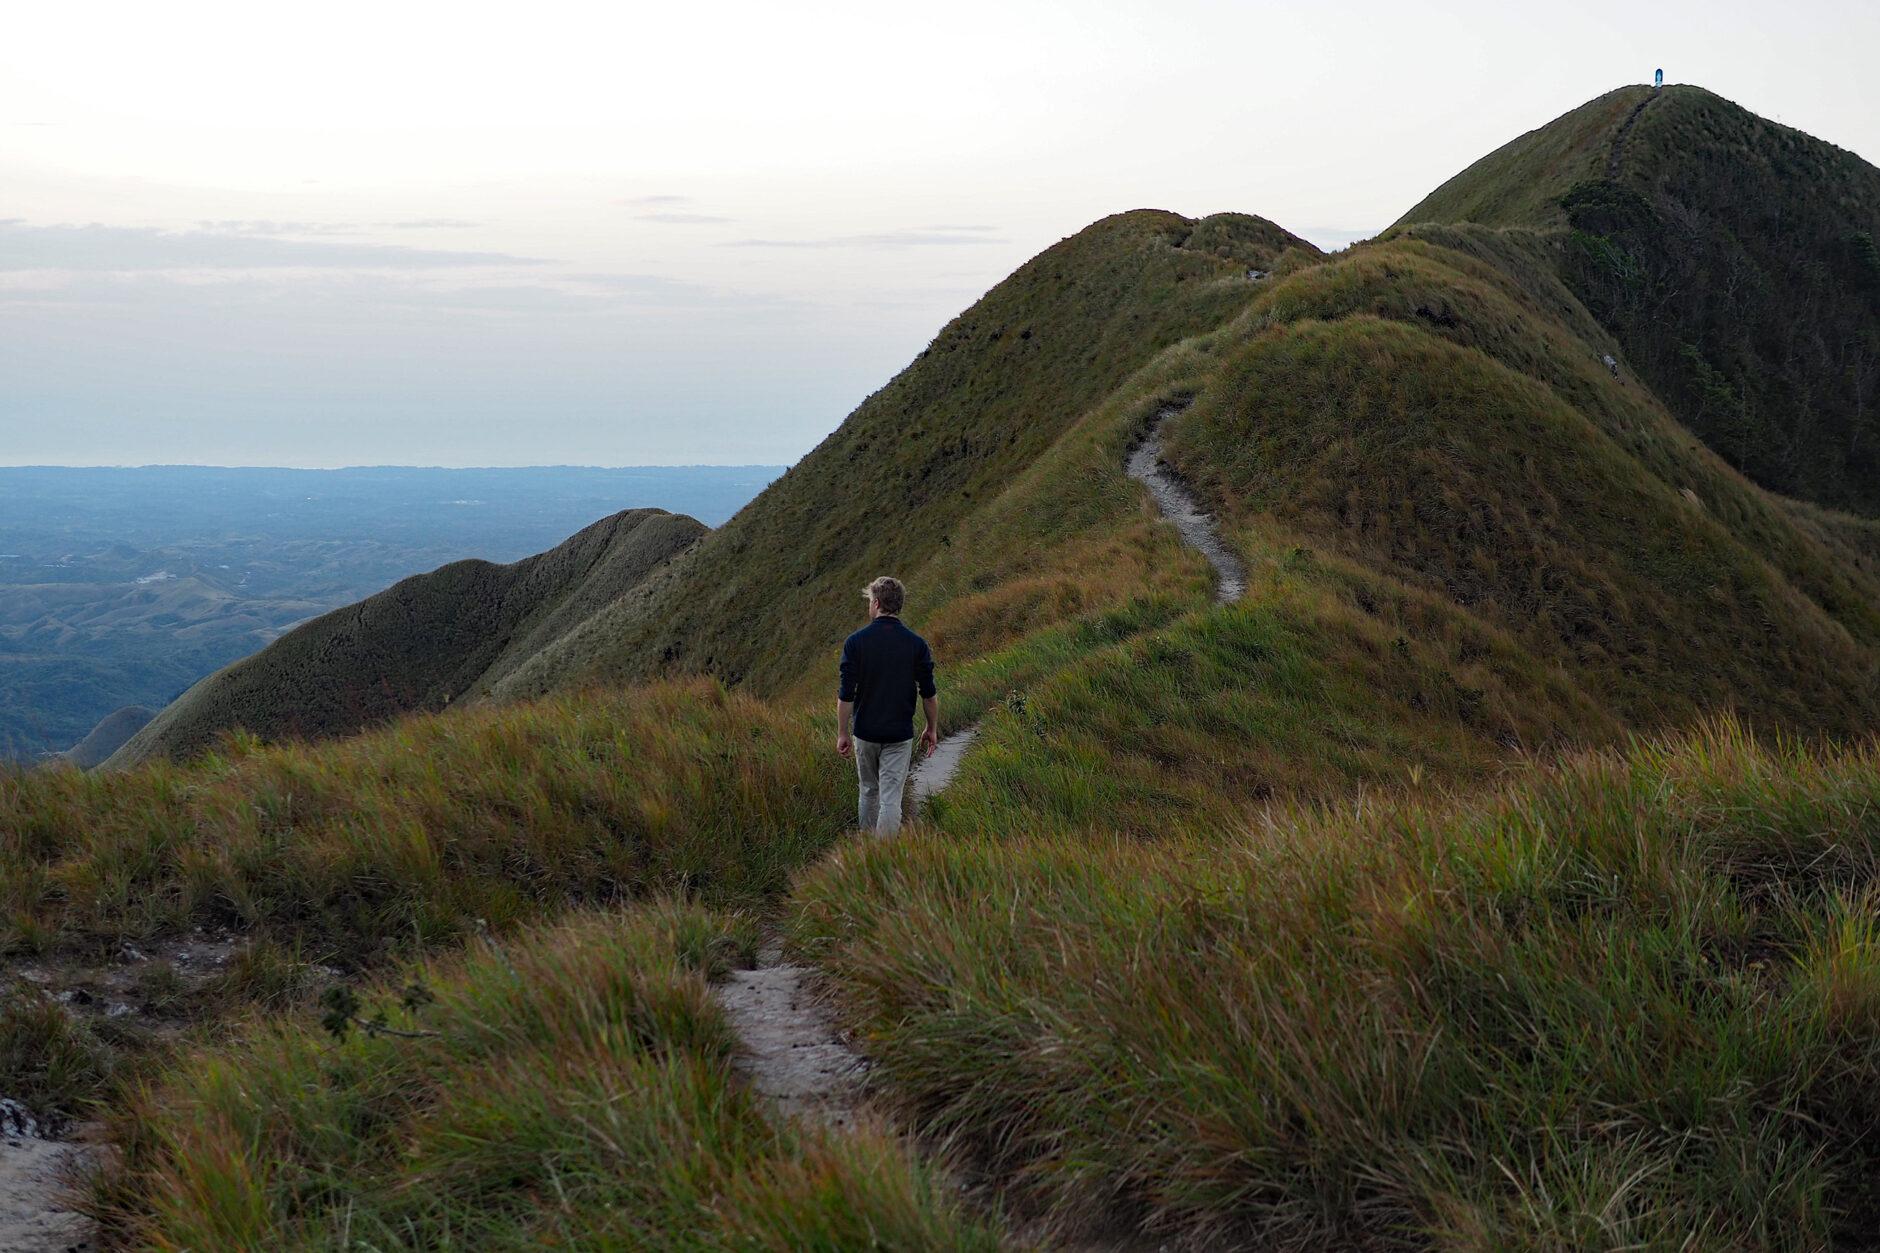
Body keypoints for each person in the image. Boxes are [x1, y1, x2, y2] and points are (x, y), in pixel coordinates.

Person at [836, 575, 938, 835]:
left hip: (865, 732)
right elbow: (928, 694)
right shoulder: (916, 644)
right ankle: (885, 854)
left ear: (877, 603)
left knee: (868, 792)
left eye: (870, 601)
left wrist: (842, 733)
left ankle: (867, 850)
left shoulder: (855, 643)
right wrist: (931, 728)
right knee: (891, 798)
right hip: (898, 733)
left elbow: (846, 695)